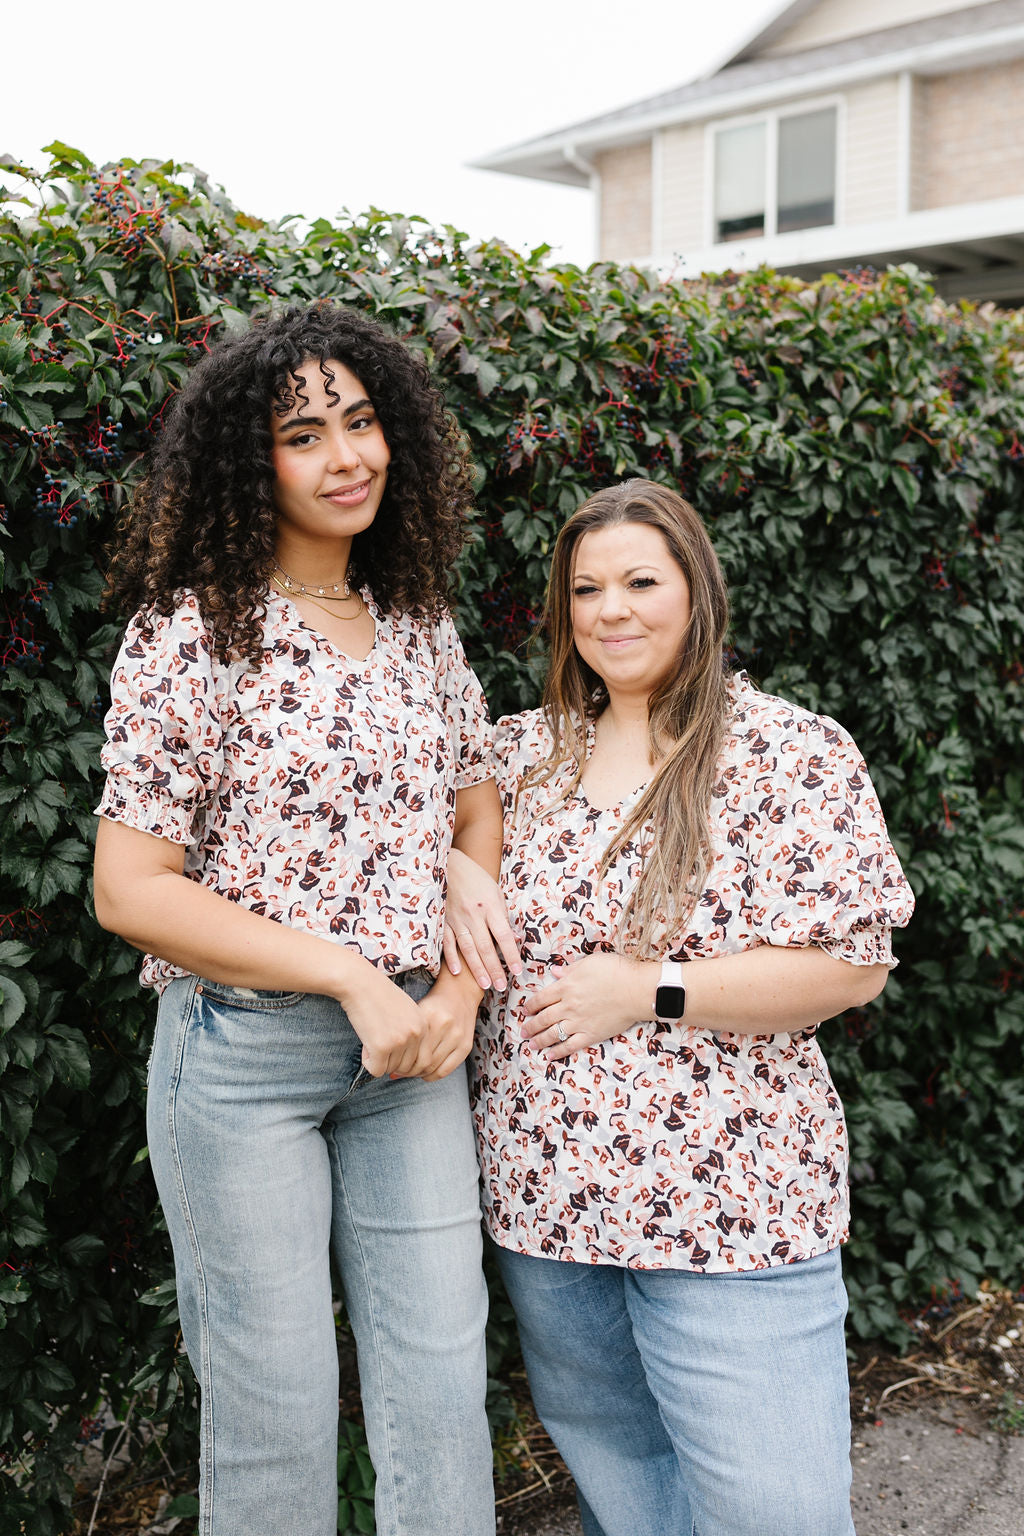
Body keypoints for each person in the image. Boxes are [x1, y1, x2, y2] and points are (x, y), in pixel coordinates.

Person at [93, 303, 500, 1536]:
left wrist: (457, 994)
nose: (346, 456)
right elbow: (132, 890)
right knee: (273, 1410)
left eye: (363, 422)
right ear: (247, 463)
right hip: (243, 1061)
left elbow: (478, 817)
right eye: (304, 434)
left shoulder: (419, 626)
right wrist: (351, 978)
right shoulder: (191, 634)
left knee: (439, 1387)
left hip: (414, 1056)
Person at [445, 479, 914, 1536]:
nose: (612, 610)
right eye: (586, 589)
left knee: (773, 1512)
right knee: (627, 1490)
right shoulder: (521, 756)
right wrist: (454, 869)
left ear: (696, 590)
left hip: (731, 1215)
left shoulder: (787, 751)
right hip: (548, 1209)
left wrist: (649, 990)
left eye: (640, 582)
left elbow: (850, 964)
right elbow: (380, 822)